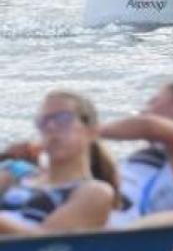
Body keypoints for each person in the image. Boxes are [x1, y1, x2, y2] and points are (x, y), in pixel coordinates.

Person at [0, 92, 118, 236]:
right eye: (44, 121)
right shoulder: (16, 176)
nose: (51, 127)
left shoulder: (94, 192)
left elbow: (47, 243)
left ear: (91, 131)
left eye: (63, 118)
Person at [104, 79, 173, 227]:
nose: (143, 109)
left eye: (153, 101)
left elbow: (148, 126)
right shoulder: (141, 157)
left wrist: (91, 131)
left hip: (127, 229)